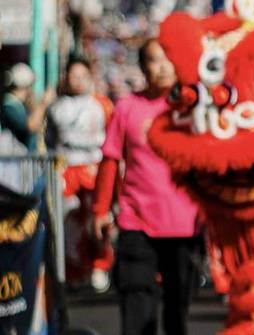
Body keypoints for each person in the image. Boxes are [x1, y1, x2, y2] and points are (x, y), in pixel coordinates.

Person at [92, 39, 201, 335]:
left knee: (177, 309)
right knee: (137, 301)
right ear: (143, 67)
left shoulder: (194, 107)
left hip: (184, 223)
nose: (163, 67)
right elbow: (111, 159)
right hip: (136, 219)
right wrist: (101, 210)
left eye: (169, 60)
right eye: (155, 60)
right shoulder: (127, 107)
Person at [46, 57, 114, 291]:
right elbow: (50, 140)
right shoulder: (56, 106)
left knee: (96, 219)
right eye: (73, 76)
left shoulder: (102, 104)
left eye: (82, 76)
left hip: (94, 167)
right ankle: (73, 271)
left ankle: (99, 265)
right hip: (67, 168)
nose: (77, 81)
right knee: (69, 222)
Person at [1, 63, 54, 151]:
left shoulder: (21, 105)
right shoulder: (9, 106)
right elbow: (31, 126)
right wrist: (44, 103)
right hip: (17, 161)